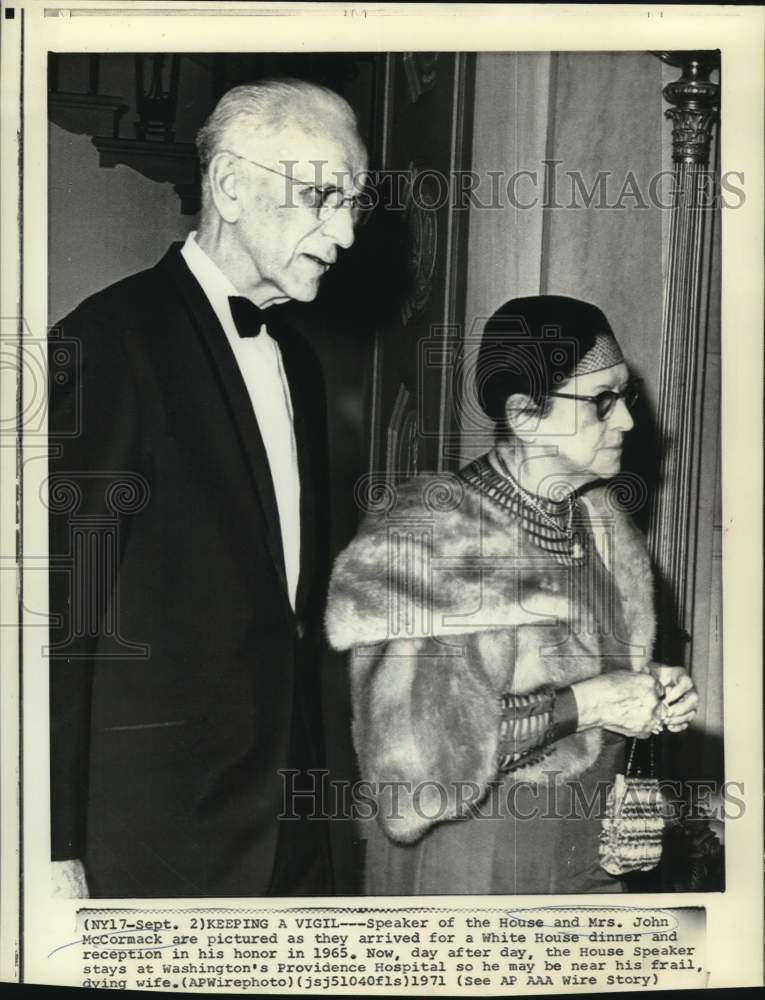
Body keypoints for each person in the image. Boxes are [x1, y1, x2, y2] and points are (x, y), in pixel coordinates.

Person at [48, 78, 368, 897]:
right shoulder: (107, 344)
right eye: (322, 196)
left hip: (289, 827)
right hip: (154, 836)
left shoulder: (297, 357)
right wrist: (50, 847)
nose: (343, 233)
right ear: (229, 186)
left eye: (354, 205)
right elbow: (55, 616)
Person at [325, 295, 699, 895]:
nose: (627, 420)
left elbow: (575, 667)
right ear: (525, 414)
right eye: (602, 402)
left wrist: (649, 684)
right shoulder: (431, 537)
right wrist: (591, 703)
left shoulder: (599, 525)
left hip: (591, 856)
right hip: (480, 865)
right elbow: (418, 763)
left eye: (624, 397)